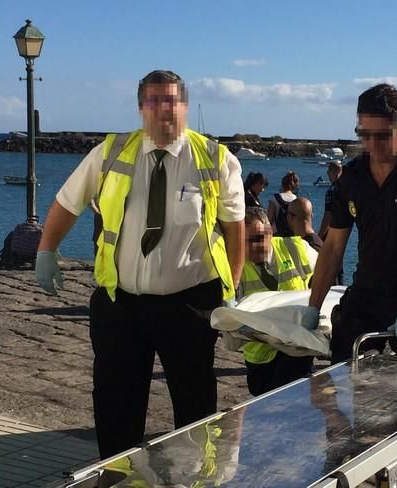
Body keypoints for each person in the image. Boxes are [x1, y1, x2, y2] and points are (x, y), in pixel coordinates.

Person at [34, 70, 245, 459]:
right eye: (154, 101)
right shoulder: (110, 153)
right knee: (116, 407)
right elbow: (68, 202)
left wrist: (230, 293)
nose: (164, 110)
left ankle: (194, 482)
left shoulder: (218, 160)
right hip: (121, 305)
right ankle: (117, 479)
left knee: (195, 406)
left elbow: (235, 232)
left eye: (172, 101)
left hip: (190, 305)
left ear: (184, 106)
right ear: (140, 109)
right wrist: (46, 250)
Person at [306, 83, 397, 488]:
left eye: (382, 135)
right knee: (340, 400)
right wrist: (311, 306)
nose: (373, 144)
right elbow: (334, 246)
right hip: (367, 298)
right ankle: (340, 473)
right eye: (364, 135)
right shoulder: (352, 177)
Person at [239, 207, 318, 396]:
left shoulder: (296, 249)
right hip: (260, 352)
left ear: (270, 232)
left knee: (287, 399)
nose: (251, 247)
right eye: (244, 242)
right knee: (262, 398)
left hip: (296, 346)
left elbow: (325, 275)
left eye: (258, 239)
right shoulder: (238, 264)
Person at [267, 171, 299, 237]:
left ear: (282, 184)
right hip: (292, 236)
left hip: (277, 236)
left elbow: (269, 220)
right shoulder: (296, 200)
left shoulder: (274, 198)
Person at [317, 160, 342, 241]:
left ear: (334, 172)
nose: (327, 173)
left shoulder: (331, 191)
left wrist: (319, 237)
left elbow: (328, 215)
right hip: (343, 231)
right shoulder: (346, 189)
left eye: (329, 170)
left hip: (331, 231)